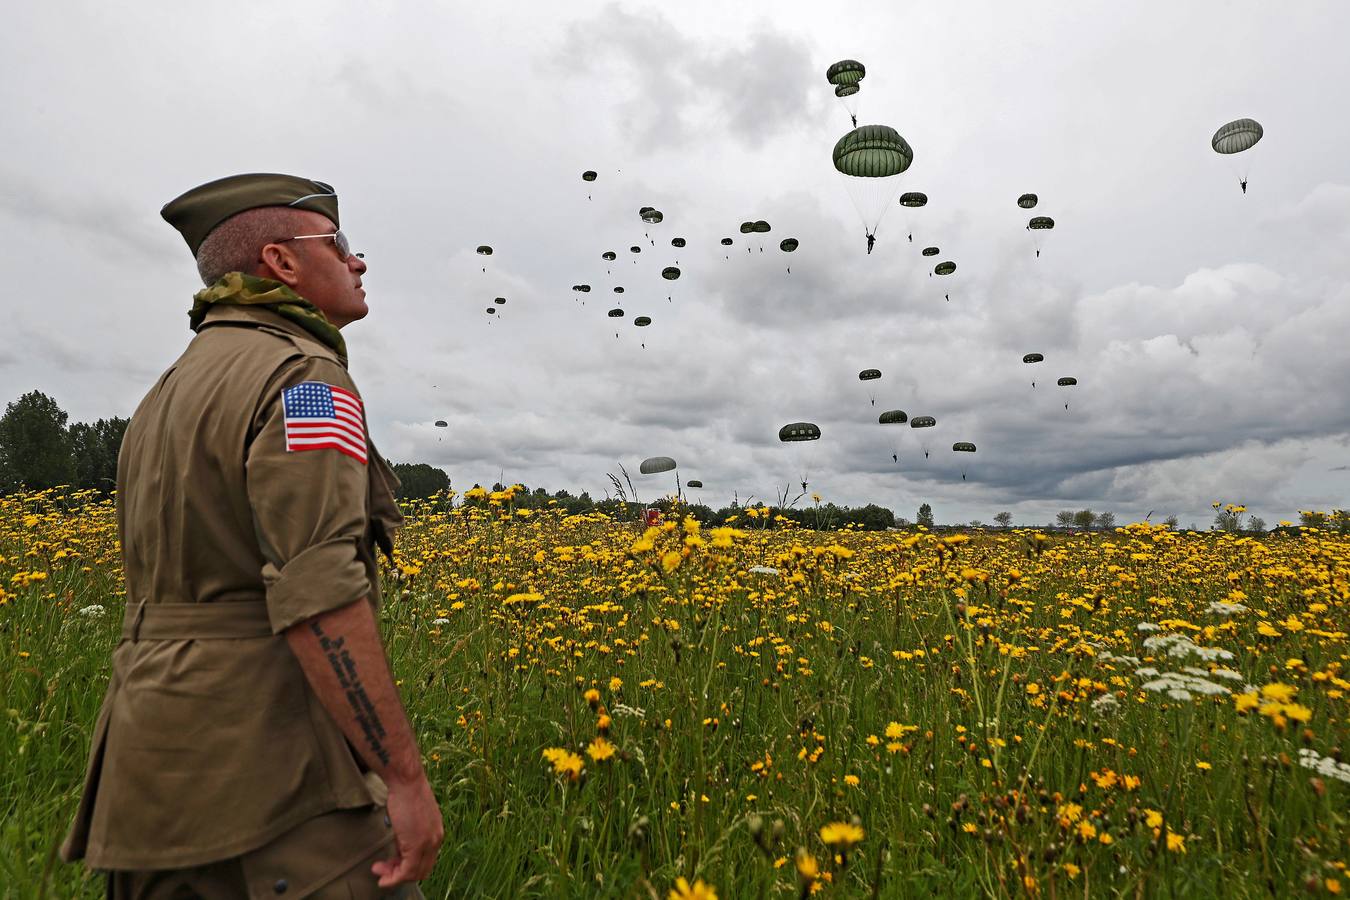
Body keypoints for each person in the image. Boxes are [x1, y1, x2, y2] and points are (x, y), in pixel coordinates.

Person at [61, 173, 443, 898]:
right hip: (275, 773)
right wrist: (404, 778)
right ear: (282, 262)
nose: (358, 262)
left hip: (148, 768)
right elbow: (318, 587)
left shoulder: (169, 389)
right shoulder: (307, 380)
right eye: (341, 244)